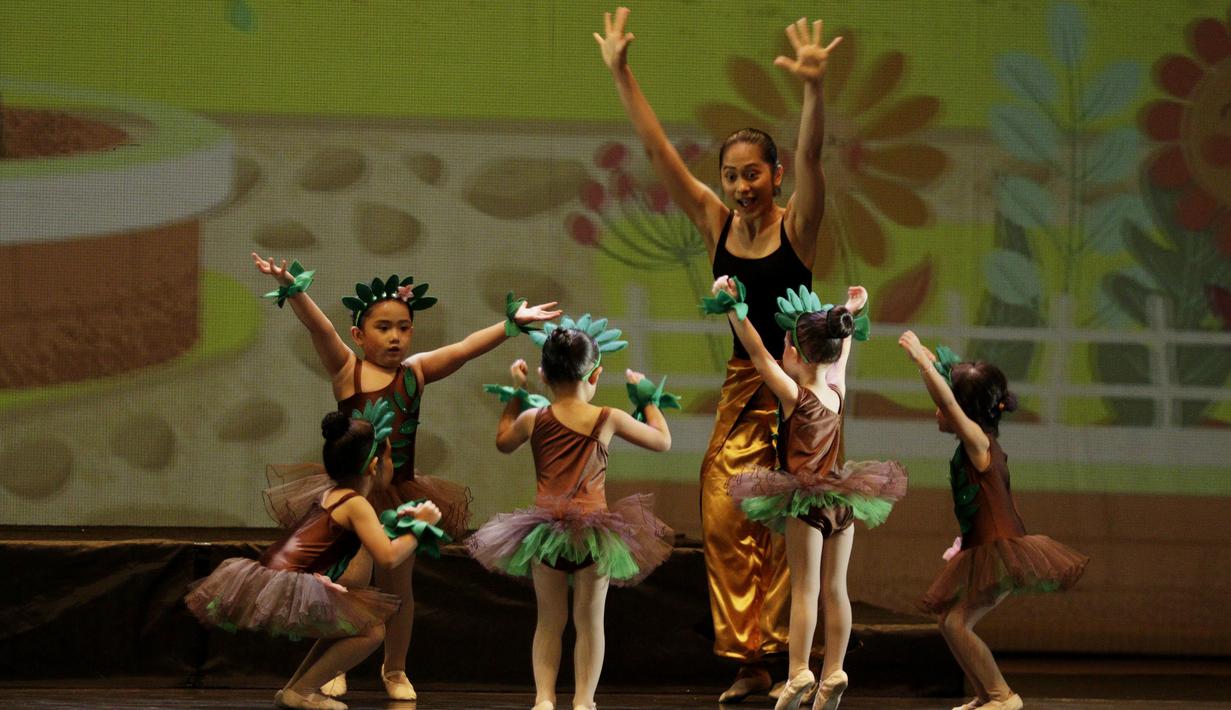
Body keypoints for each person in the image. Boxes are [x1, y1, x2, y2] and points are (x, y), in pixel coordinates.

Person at [595, 8, 841, 700]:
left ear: (773, 173)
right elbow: (656, 154)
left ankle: (793, 659)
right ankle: (752, 658)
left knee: (791, 521)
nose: (739, 188)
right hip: (742, 389)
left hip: (796, 391)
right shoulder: (713, 221)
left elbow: (815, 157)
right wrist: (620, 72)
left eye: (751, 175)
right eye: (730, 176)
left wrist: (813, 90)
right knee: (726, 513)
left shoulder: (798, 224)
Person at [252, 254, 561, 700]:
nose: (395, 336)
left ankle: (394, 669)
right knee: (349, 586)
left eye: (403, 327)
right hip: (353, 494)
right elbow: (320, 330)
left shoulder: (414, 373)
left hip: (398, 492)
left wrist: (509, 324)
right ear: (359, 335)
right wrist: (294, 290)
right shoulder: (347, 370)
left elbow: (465, 348)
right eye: (383, 328)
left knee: (397, 588)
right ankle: (332, 664)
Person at [715, 279, 906, 710]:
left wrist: (734, 310)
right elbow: (841, 351)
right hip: (843, 502)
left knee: (804, 589)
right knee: (835, 589)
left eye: (787, 344)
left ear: (795, 354)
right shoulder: (836, 392)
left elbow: (758, 356)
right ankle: (834, 669)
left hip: (804, 500)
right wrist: (852, 312)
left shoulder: (793, 395)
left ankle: (799, 670)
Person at [467, 324, 675, 710]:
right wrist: (648, 401)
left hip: (545, 534)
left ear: (543, 375)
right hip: (594, 536)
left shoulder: (533, 417)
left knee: (549, 620)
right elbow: (662, 441)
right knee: (589, 621)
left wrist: (514, 398)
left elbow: (503, 442)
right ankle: (584, 701)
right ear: (595, 375)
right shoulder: (607, 417)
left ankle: (544, 699)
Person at [185, 406, 446, 710]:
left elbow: (376, 533)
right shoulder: (357, 504)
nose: (394, 465)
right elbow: (387, 557)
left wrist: (405, 519)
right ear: (374, 466)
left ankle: (294, 689)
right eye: (390, 459)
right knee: (373, 629)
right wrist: (422, 527)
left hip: (274, 574)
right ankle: (304, 689)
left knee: (347, 623)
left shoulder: (336, 494)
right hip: (290, 581)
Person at [898, 331, 1089, 710]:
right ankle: (986, 694)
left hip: (999, 551)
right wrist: (930, 363)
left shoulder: (979, 444)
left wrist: (923, 365)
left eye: (945, 407)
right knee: (949, 622)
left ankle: (1004, 696)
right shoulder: (975, 443)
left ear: (965, 413)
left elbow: (948, 402)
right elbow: (951, 400)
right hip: (982, 546)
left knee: (955, 624)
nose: (938, 411)